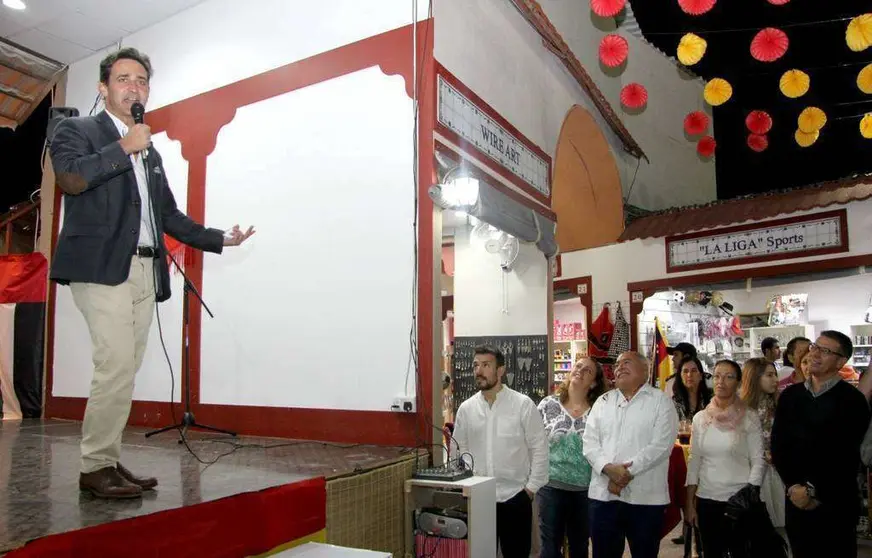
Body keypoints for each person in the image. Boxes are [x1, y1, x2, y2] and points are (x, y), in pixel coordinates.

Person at [49, 47, 255, 499]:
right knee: (116, 364)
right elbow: (70, 179)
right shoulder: (76, 130)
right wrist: (124, 147)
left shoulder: (150, 150)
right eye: (123, 79)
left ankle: (105, 460)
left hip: (146, 269)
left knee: (126, 368)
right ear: (103, 88)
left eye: (141, 80)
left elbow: (168, 216)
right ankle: (93, 467)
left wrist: (221, 238)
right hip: (101, 267)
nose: (134, 87)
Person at [771, 331, 871, 558]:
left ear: (840, 361)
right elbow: (779, 446)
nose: (814, 354)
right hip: (796, 500)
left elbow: (846, 456)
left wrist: (814, 491)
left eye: (825, 351)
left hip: (835, 502)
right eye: (815, 347)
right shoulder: (790, 396)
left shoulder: (852, 401)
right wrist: (794, 486)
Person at [453, 345, 548, 558]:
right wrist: (467, 484)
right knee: (480, 554)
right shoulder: (466, 410)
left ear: (501, 371)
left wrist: (530, 490)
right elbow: (458, 450)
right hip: (478, 499)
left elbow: (539, 449)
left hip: (515, 497)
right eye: (476, 365)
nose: (479, 370)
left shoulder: (522, 405)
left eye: (486, 365)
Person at [582, 351, 679, 558]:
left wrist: (624, 473)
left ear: (645, 371)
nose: (620, 367)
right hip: (603, 496)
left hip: (645, 497)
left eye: (627, 362)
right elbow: (589, 442)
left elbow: (661, 446)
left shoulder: (661, 402)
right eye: (617, 364)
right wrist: (608, 469)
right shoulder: (603, 402)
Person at [685, 359, 765, 557]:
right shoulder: (701, 418)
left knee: (742, 551)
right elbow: (694, 461)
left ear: (738, 383)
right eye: (717, 376)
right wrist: (689, 503)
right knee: (712, 551)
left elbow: (758, 460)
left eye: (729, 377)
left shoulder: (749, 417)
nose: (721, 381)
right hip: (707, 499)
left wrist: (749, 493)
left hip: (739, 499)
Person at [536, 357, 606, 558]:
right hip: (551, 486)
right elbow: (534, 442)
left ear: (593, 383)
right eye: (578, 366)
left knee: (580, 546)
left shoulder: (599, 411)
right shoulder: (548, 404)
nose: (580, 371)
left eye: (588, 371)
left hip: (585, 489)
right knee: (549, 547)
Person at [740, 357, 785, 530]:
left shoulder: (780, 403)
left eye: (775, 374)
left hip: (775, 471)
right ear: (754, 377)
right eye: (769, 375)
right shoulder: (739, 408)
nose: (775, 379)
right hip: (749, 473)